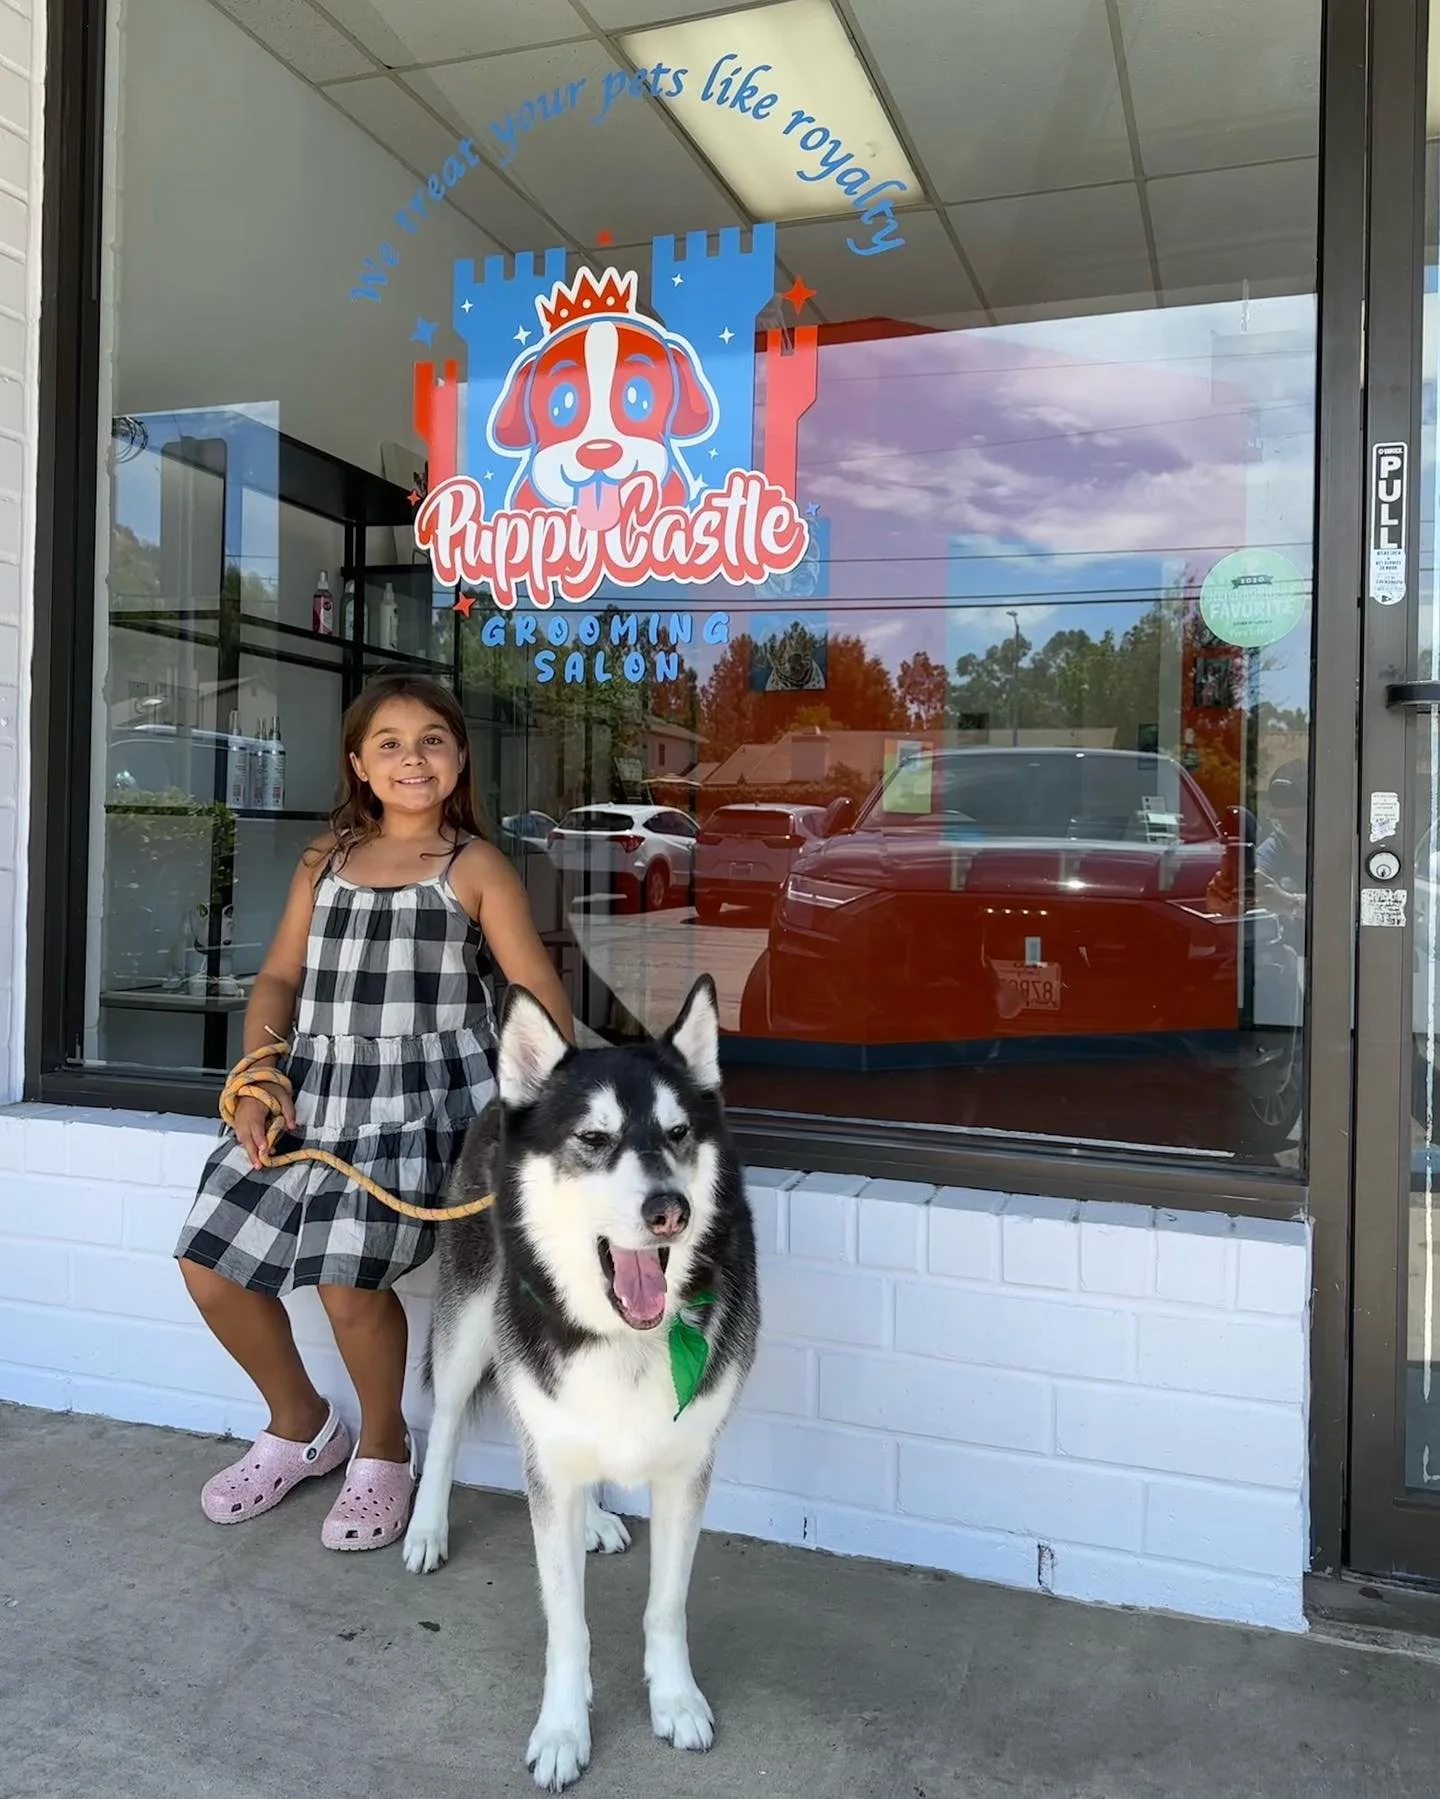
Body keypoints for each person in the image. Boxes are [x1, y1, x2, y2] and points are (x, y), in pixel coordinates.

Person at [175, 673, 571, 1550]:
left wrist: (547, 1104)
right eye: (388, 742)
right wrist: (259, 1072)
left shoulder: (473, 866)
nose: (412, 757)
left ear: (460, 757)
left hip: (421, 1100)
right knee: (209, 1265)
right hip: (311, 1089)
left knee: (349, 1280)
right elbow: (279, 975)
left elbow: (536, 990)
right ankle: (304, 1425)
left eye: (432, 738)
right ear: (358, 763)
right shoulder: (325, 860)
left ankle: (385, 1450)